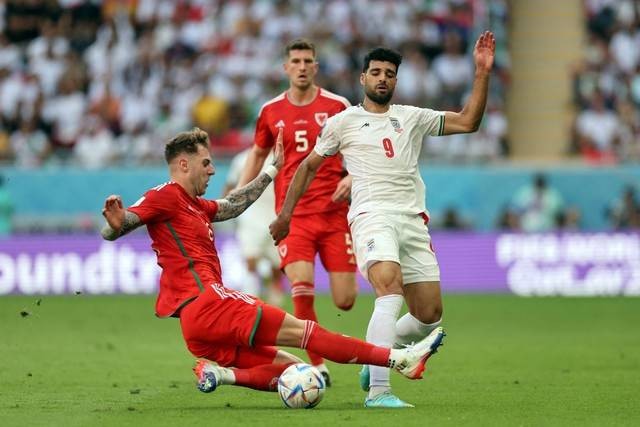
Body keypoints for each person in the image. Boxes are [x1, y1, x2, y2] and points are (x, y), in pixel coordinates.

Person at [100, 127, 445, 398]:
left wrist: (271, 170)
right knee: (309, 334)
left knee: (297, 372)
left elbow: (232, 204)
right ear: (184, 164)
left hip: (195, 327)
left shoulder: (193, 204)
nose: (212, 169)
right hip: (207, 302)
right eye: (206, 163)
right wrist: (117, 224)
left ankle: (222, 375)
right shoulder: (165, 195)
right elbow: (121, 224)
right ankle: (397, 359)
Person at [270, 31, 496, 408]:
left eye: (389, 73)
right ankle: (379, 390)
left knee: (428, 315)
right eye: (375, 72)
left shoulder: (413, 117)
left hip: (412, 220)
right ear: (363, 78)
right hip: (371, 217)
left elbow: (469, 121)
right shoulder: (344, 122)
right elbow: (307, 167)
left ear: (396, 80)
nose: (382, 78)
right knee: (389, 289)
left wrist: (482, 72)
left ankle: (379, 353)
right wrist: (286, 215)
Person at [237, 39, 357, 385]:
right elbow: (258, 155)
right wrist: (241, 195)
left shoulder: (338, 105)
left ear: (315, 67)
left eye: (308, 61)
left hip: (334, 216)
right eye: (296, 61)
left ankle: (322, 350)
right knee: (301, 288)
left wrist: (351, 177)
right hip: (294, 216)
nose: (302, 66)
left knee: (345, 300)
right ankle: (317, 364)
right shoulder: (270, 111)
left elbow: (359, 151)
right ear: (286, 68)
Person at [224, 147, 284, 305]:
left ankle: (274, 294)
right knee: (251, 260)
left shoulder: (281, 159)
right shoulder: (241, 159)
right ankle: (250, 301)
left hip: (275, 218)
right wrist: (222, 210)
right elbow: (231, 186)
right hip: (250, 218)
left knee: (277, 266)